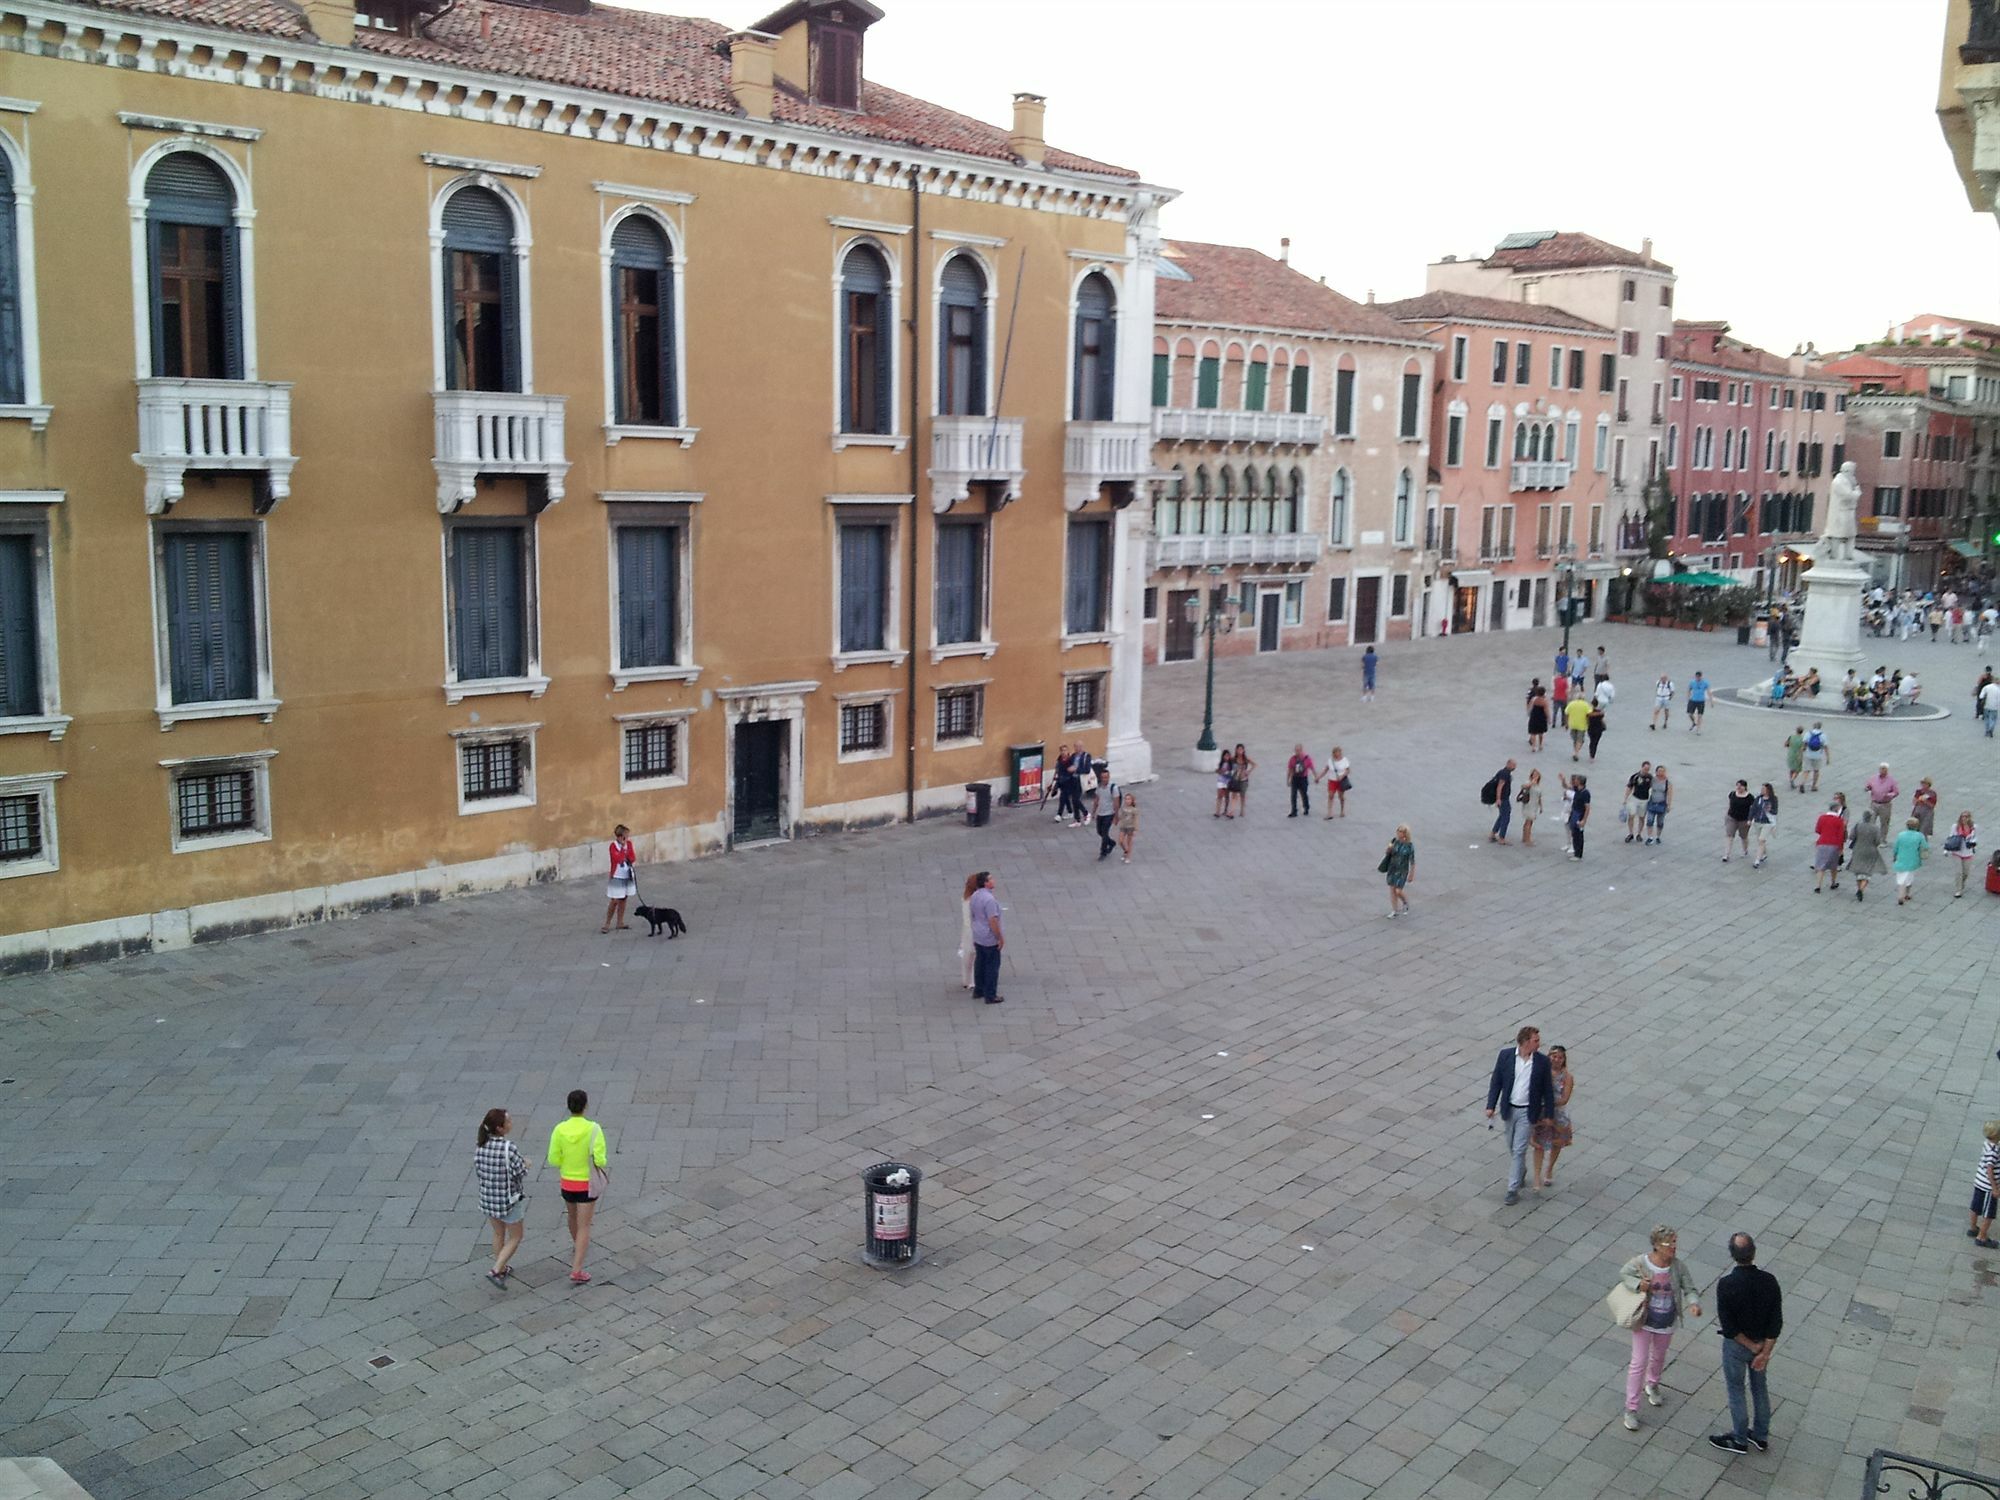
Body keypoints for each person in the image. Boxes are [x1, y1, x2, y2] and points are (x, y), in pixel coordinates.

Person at [1617, 1226, 1701, 1432]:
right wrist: (1639, 1285)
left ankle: (1652, 1383)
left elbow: (1689, 1288)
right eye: (1669, 1243)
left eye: (1675, 1242)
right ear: (1656, 1245)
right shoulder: (1641, 1263)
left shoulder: (1678, 1267)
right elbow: (1625, 1273)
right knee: (1638, 1362)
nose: (1673, 1247)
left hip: (1666, 1322)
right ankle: (1631, 1408)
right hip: (1644, 1320)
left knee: (1659, 1356)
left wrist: (1693, 1303)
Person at [1709, 1233, 1781, 1456]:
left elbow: (1729, 1327)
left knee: (1736, 1389)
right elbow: (1775, 1321)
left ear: (1733, 1255)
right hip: (1762, 1344)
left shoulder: (1727, 1284)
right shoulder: (1769, 1281)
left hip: (1738, 1347)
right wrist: (1764, 1352)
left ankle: (1740, 1439)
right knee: (1760, 1388)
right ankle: (1760, 1435)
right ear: (1754, 1252)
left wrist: (1751, 1347)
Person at [1484, 1025, 1554, 1206]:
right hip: (1509, 1108)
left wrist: (1549, 1114)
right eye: (1535, 1040)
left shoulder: (1542, 1062)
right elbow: (1496, 1081)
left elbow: (1547, 1089)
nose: (1539, 1043)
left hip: (1527, 1111)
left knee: (1519, 1148)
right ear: (1525, 1042)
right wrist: (1491, 1105)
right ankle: (1521, 1170)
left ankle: (1512, 1189)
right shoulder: (1506, 1056)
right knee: (1511, 1145)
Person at [547, 1090, 608, 1284]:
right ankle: (577, 1270)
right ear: (585, 1106)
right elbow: (600, 1158)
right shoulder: (594, 1129)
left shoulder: (559, 1129)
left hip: (567, 1182)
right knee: (585, 1226)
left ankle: (577, 1246)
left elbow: (553, 1159)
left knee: (572, 1217)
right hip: (586, 1184)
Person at [474, 1108, 528, 1285]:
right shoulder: (508, 1148)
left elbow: (479, 1171)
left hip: (488, 1199)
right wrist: (526, 1164)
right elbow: (520, 1172)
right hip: (508, 1200)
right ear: (500, 1128)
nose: (511, 1123)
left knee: (498, 1234)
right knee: (516, 1236)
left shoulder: (480, 1146)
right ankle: (496, 1269)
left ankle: (502, 1267)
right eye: (508, 1121)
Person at [1531, 1045, 1572, 1190]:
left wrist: (1549, 1102)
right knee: (1539, 1144)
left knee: (1557, 1143)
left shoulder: (1567, 1077)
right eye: (1554, 1056)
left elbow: (1565, 1098)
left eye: (1560, 1057)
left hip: (1558, 1115)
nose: (1556, 1060)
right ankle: (1536, 1176)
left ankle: (1549, 1168)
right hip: (1542, 1113)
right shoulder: (1542, 1072)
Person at [968, 871, 1003, 1004]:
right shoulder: (989, 900)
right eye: (991, 879)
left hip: (978, 934)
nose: (993, 880)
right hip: (989, 937)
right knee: (992, 966)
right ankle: (990, 995)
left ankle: (979, 990)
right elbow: (992, 920)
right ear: (985, 883)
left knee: (980, 963)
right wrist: (999, 937)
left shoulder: (975, 895)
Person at [1969, 1121, 2000, 1248]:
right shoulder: (1993, 1151)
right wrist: (1995, 1188)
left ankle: (1973, 1228)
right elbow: (1989, 1169)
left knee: (1975, 1206)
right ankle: (1981, 1237)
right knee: (1989, 1213)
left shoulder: (1987, 1144)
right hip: (1988, 1186)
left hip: (1979, 1182)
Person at [1846, 806, 1885, 901]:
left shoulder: (1857, 825)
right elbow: (1878, 841)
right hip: (1870, 851)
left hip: (1858, 849)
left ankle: (1859, 887)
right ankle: (1862, 889)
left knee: (1858, 870)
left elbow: (1851, 837)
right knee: (1867, 871)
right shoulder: (1875, 828)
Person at [602, 825, 636, 934]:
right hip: (617, 875)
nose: (627, 837)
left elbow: (632, 858)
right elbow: (618, 858)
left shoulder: (629, 844)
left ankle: (620, 922)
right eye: (626, 835)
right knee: (615, 900)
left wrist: (626, 848)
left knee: (624, 898)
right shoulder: (613, 846)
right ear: (620, 836)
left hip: (627, 874)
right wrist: (622, 847)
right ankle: (607, 923)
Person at [1892, 816, 1930, 905]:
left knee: (1901, 878)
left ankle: (1903, 894)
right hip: (1913, 860)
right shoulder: (1919, 836)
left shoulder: (1901, 835)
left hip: (1901, 859)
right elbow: (1925, 847)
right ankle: (1904, 895)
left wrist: (1894, 856)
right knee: (1909, 877)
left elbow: (1896, 847)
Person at [1813, 799, 1848, 893]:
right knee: (1833, 866)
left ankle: (1818, 886)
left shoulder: (1822, 818)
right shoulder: (1839, 821)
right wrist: (1841, 849)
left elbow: (1818, 830)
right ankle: (1833, 882)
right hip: (1834, 845)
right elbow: (1841, 836)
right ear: (1836, 809)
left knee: (1820, 866)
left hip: (1822, 843)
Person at [1381, 823, 1416, 917]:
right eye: (1398, 830)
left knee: (1398, 891)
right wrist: (1389, 849)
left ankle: (1405, 902)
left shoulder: (1409, 845)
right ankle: (1394, 910)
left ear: (1405, 833)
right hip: (1392, 868)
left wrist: (1412, 874)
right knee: (1392, 890)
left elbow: (1412, 861)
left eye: (1401, 831)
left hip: (1402, 870)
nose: (1398, 833)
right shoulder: (1394, 841)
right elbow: (1388, 853)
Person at [1945, 809, 1978, 898]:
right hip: (1957, 851)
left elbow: (1975, 838)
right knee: (1959, 872)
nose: (1964, 818)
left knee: (1966, 872)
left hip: (1968, 852)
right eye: (1963, 816)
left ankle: (1961, 883)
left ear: (1969, 818)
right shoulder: (1955, 826)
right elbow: (1950, 837)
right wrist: (1946, 850)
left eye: (1966, 817)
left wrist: (1973, 843)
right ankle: (1958, 890)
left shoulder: (1973, 827)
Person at [1090, 764, 1120, 860]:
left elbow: (1116, 802)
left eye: (1106, 777)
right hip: (1101, 813)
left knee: (1104, 832)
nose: (1104, 779)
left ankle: (1103, 852)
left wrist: (1116, 816)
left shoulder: (1113, 788)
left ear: (1109, 777)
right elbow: (1096, 800)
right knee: (1099, 831)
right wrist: (1093, 812)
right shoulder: (1099, 787)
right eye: (1103, 777)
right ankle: (1111, 843)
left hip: (1109, 813)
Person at [1863, 762, 1899, 837]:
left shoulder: (1891, 780)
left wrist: (1888, 795)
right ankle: (1871, 837)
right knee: (1871, 821)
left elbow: (1896, 792)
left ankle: (1883, 839)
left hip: (1885, 804)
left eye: (1884, 769)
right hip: (1874, 803)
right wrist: (1867, 788)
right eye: (1881, 769)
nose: (1882, 770)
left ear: (1887, 770)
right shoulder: (1873, 778)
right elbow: (1869, 786)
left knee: (1884, 822)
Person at [958, 872, 980, 990]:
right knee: (974, 955)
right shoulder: (973, 900)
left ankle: (967, 980)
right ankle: (972, 980)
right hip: (973, 930)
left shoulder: (965, 897)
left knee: (967, 955)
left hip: (966, 929)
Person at [1722, 780, 1754, 863]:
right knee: (1729, 835)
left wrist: (1750, 819)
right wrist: (1727, 815)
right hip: (1731, 818)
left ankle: (1745, 850)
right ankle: (1726, 854)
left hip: (1744, 820)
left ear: (1745, 787)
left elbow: (1752, 808)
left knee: (1743, 836)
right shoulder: (1732, 794)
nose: (1739, 788)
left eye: (1741, 786)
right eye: (1737, 786)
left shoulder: (1749, 797)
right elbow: (1730, 804)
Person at [1488, 759, 1518, 844]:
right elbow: (1499, 786)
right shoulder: (1505, 774)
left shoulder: (1503, 772)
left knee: (1502, 816)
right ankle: (1501, 837)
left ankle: (1493, 833)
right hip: (1503, 799)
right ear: (1508, 764)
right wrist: (1498, 799)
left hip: (1503, 798)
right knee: (1506, 817)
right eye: (1513, 765)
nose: (1515, 767)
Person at [1623, 761, 1653, 843]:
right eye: (1645, 769)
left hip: (1644, 800)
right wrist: (1625, 798)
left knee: (1642, 817)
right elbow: (1629, 787)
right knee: (1631, 816)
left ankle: (1639, 834)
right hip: (1634, 798)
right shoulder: (1635, 776)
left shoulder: (1650, 778)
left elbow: (1653, 788)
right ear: (1642, 767)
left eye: (1648, 769)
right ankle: (1630, 833)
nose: (1646, 771)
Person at [1642, 764, 1672, 846]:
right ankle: (1650, 837)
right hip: (1652, 803)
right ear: (1656, 772)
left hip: (1662, 804)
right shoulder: (1653, 780)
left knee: (1660, 822)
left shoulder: (1667, 782)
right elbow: (1647, 786)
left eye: (1662, 771)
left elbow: (1669, 794)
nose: (1661, 772)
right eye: (1659, 771)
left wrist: (1668, 805)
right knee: (1649, 820)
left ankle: (1658, 836)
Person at [1750, 782, 1778, 869]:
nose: (1762, 790)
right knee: (1760, 840)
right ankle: (1764, 853)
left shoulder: (1773, 799)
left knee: (1761, 840)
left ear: (1768, 790)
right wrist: (1749, 819)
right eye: (1761, 789)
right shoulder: (1758, 798)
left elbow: (1775, 811)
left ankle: (1757, 860)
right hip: (1758, 821)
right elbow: (1753, 809)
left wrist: (1769, 809)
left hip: (1767, 822)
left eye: (1763, 789)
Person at [1322, 745, 1352, 820]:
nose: (1337, 754)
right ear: (1334, 753)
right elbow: (1325, 770)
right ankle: (1329, 813)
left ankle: (1342, 810)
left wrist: (1342, 776)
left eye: (1338, 752)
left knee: (1341, 797)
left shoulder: (1344, 760)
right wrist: (1318, 777)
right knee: (1330, 795)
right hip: (1332, 780)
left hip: (1341, 781)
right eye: (1336, 753)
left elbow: (1348, 770)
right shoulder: (1330, 760)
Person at [1566, 773, 1591, 859]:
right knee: (1574, 833)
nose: (1574, 781)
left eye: (1576, 780)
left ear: (1580, 782)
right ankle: (1576, 851)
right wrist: (1562, 780)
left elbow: (1587, 807)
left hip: (1579, 814)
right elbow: (1567, 786)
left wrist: (1584, 820)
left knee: (1578, 834)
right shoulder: (1577, 789)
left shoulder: (1585, 793)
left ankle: (1578, 854)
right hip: (1574, 812)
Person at [1286, 744, 1315, 818]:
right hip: (1295, 778)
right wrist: (1288, 779)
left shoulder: (1307, 758)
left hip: (1303, 778)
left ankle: (1306, 807)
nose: (1297, 752)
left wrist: (1316, 776)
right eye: (1296, 750)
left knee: (1304, 793)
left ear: (1302, 750)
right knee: (1293, 795)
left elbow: (1312, 767)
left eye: (1298, 750)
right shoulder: (1292, 759)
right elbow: (1290, 769)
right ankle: (1294, 811)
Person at [1518, 768, 1545, 847]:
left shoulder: (1538, 786)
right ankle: (1527, 839)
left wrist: (1541, 807)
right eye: (1534, 774)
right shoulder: (1528, 782)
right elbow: (1524, 786)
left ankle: (1524, 837)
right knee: (1528, 822)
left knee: (1529, 822)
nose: (1536, 776)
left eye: (1537, 775)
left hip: (1534, 805)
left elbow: (1539, 797)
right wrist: (1532, 782)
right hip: (1528, 804)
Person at [1802, 722, 1830, 791]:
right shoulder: (1823, 735)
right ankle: (1813, 786)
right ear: (1820, 727)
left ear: (1813, 726)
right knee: (1816, 771)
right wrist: (1828, 758)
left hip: (1808, 754)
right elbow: (1826, 747)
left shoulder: (1808, 733)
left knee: (1806, 770)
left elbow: (1804, 744)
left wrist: (1802, 752)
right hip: (1818, 755)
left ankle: (1802, 783)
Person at [1230, 743, 1255, 818]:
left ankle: (1242, 810)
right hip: (1235, 779)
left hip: (1243, 780)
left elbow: (1254, 764)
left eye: (1241, 749)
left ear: (1243, 750)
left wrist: (1248, 771)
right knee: (1234, 795)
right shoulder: (1233, 759)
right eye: (1238, 749)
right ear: (1236, 750)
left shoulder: (1246, 759)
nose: (1240, 751)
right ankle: (1232, 810)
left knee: (1242, 795)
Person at [1565, 693, 1590, 761]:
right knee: (1580, 740)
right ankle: (1576, 753)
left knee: (1575, 739)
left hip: (1572, 724)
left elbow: (1566, 713)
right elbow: (1588, 715)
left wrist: (1566, 723)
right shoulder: (1586, 704)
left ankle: (1575, 752)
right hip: (1582, 724)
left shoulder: (1571, 704)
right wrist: (1588, 723)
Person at [1116, 791, 1139, 864]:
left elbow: (1136, 820)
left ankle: (1128, 856)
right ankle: (1126, 850)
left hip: (1130, 827)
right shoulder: (1123, 808)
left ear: (1132, 800)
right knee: (1120, 841)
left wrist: (1135, 829)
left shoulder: (1134, 810)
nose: (1127, 801)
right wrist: (1117, 819)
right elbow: (1121, 816)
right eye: (1126, 799)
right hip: (1123, 826)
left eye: (1129, 799)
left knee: (1129, 842)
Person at [1526, 680, 1549, 752]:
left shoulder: (1534, 699)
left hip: (1534, 716)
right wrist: (1548, 718)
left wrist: (1529, 713)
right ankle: (1540, 745)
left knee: (1533, 732)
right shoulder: (1544, 701)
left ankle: (1533, 747)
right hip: (1541, 717)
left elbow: (1530, 707)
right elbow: (1546, 710)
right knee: (1541, 732)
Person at [1783, 725, 1806, 792]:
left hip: (1791, 754)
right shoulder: (1802, 739)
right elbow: (1803, 748)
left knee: (1792, 768)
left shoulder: (1791, 737)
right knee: (1797, 770)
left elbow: (1785, 744)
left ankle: (1791, 779)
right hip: (1798, 755)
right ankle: (1792, 779)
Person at [1213, 749, 1235, 819]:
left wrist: (1225, 772)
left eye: (1228, 755)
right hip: (1221, 781)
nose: (1227, 757)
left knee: (1226, 796)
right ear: (1223, 756)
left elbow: (1232, 773)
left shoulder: (1231, 764)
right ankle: (1217, 811)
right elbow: (1217, 771)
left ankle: (1226, 810)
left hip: (1227, 781)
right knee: (1219, 796)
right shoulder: (1221, 763)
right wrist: (1219, 771)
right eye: (1226, 755)